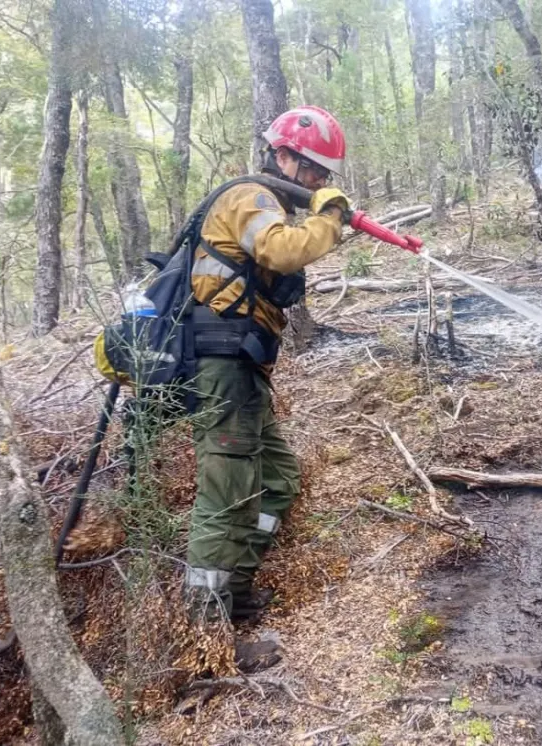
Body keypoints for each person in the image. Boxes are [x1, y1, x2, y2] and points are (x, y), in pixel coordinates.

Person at [184, 105, 349, 620]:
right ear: (283, 156)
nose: (318, 180)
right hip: (223, 363)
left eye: (325, 175)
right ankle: (205, 631)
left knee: (277, 477)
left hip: (245, 365)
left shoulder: (268, 205)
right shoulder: (248, 197)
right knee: (227, 493)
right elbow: (281, 252)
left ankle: (236, 586)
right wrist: (330, 218)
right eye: (314, 171)